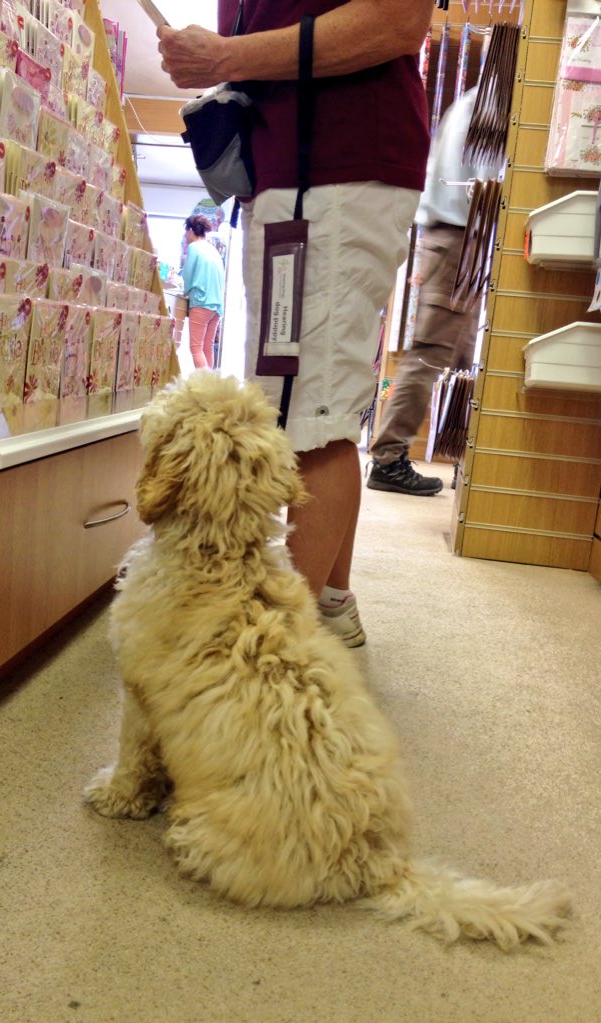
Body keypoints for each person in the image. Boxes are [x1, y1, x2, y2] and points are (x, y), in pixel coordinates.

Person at [158, 0, 434, 646]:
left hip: (329, 167)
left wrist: (226, 56)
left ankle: (273, 656)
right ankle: (328, 606)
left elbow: (398, 17)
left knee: (307, 422)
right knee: (322, 408)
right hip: (298, 171)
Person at [367, 85, 501, 496]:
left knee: (457, 358)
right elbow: (487, 182)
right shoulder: (494, 105)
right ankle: (388, 459)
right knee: (430, 356)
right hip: (460, 239)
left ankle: (458, 458)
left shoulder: (476, 99)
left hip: (454, 239)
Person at [181, 214, 225, 369]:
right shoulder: (213, 251)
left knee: (195, 348)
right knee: (207, 347)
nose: (186, 236)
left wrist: (185, 291)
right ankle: (211, 387)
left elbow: (187, 274)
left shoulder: (194, 247)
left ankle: (204, 389)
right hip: (217, 307)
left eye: (186, 232)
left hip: (201, 302)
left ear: (191, 230)